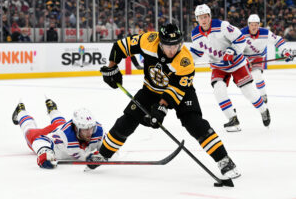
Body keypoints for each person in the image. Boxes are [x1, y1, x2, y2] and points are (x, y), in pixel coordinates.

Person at [98, 23, 241, 179]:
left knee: (195, 123)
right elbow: (120, 46)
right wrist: (112, 67)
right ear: (160, 42)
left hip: (181, 92)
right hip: (150, 89)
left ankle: (224, 160)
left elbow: (175, 91)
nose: (173, 50)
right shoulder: (148, 40)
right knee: (127, 120)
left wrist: (161, 109)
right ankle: (102, 154)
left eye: (176, 45)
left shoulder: (185, 61)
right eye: (168, 46)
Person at [190, 4, 271, 132]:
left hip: (237, 63)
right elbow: (197, 52)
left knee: (248, 92)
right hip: (218, 66)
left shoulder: (222, 26)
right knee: (218, 90)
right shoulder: (195, 34)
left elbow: (240, 39)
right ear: (197, 19)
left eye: (205, 16)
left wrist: (232, 51)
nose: (203, 20)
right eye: (200, 18)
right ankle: (232, 118)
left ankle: (263, 110)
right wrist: (188, 61)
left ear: (210, 16)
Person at [12, 98, 104, 169]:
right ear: (76, 128)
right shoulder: (64, 136)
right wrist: (44, 152)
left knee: (59, 122)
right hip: (51, 133)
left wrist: (102, 154)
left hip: (61, 126)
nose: (90, 132)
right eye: (85, 129)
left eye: (91, 128)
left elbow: (110, 149)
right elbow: (40, 140)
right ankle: (21, 112)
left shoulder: (98, 131)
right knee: (29, 132)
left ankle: (53, 109)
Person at [241, 14, 295, 103]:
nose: (254, 27)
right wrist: (242, 59)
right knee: (243, 82)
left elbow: (278, 40)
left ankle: (263, 95)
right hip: (244, 58)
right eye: (252, 25)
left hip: (258, 57)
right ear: (248, 25)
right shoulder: (242, 33)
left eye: (256, 25)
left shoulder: (265, 33)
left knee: (257, 74)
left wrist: (285, 51)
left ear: (259, 25)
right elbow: (235, 46)